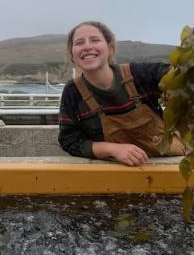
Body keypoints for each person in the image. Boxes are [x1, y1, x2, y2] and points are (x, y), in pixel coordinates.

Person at [58, 21, 187, 166]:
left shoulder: (139, 74)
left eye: (95, 40)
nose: (87, 47)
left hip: (169, 167)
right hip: (115, 174)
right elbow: (70, 140)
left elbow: (182, 76)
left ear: (110, 48)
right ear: (72, 55)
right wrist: (112, 149)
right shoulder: (73, 91)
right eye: (79, 43)